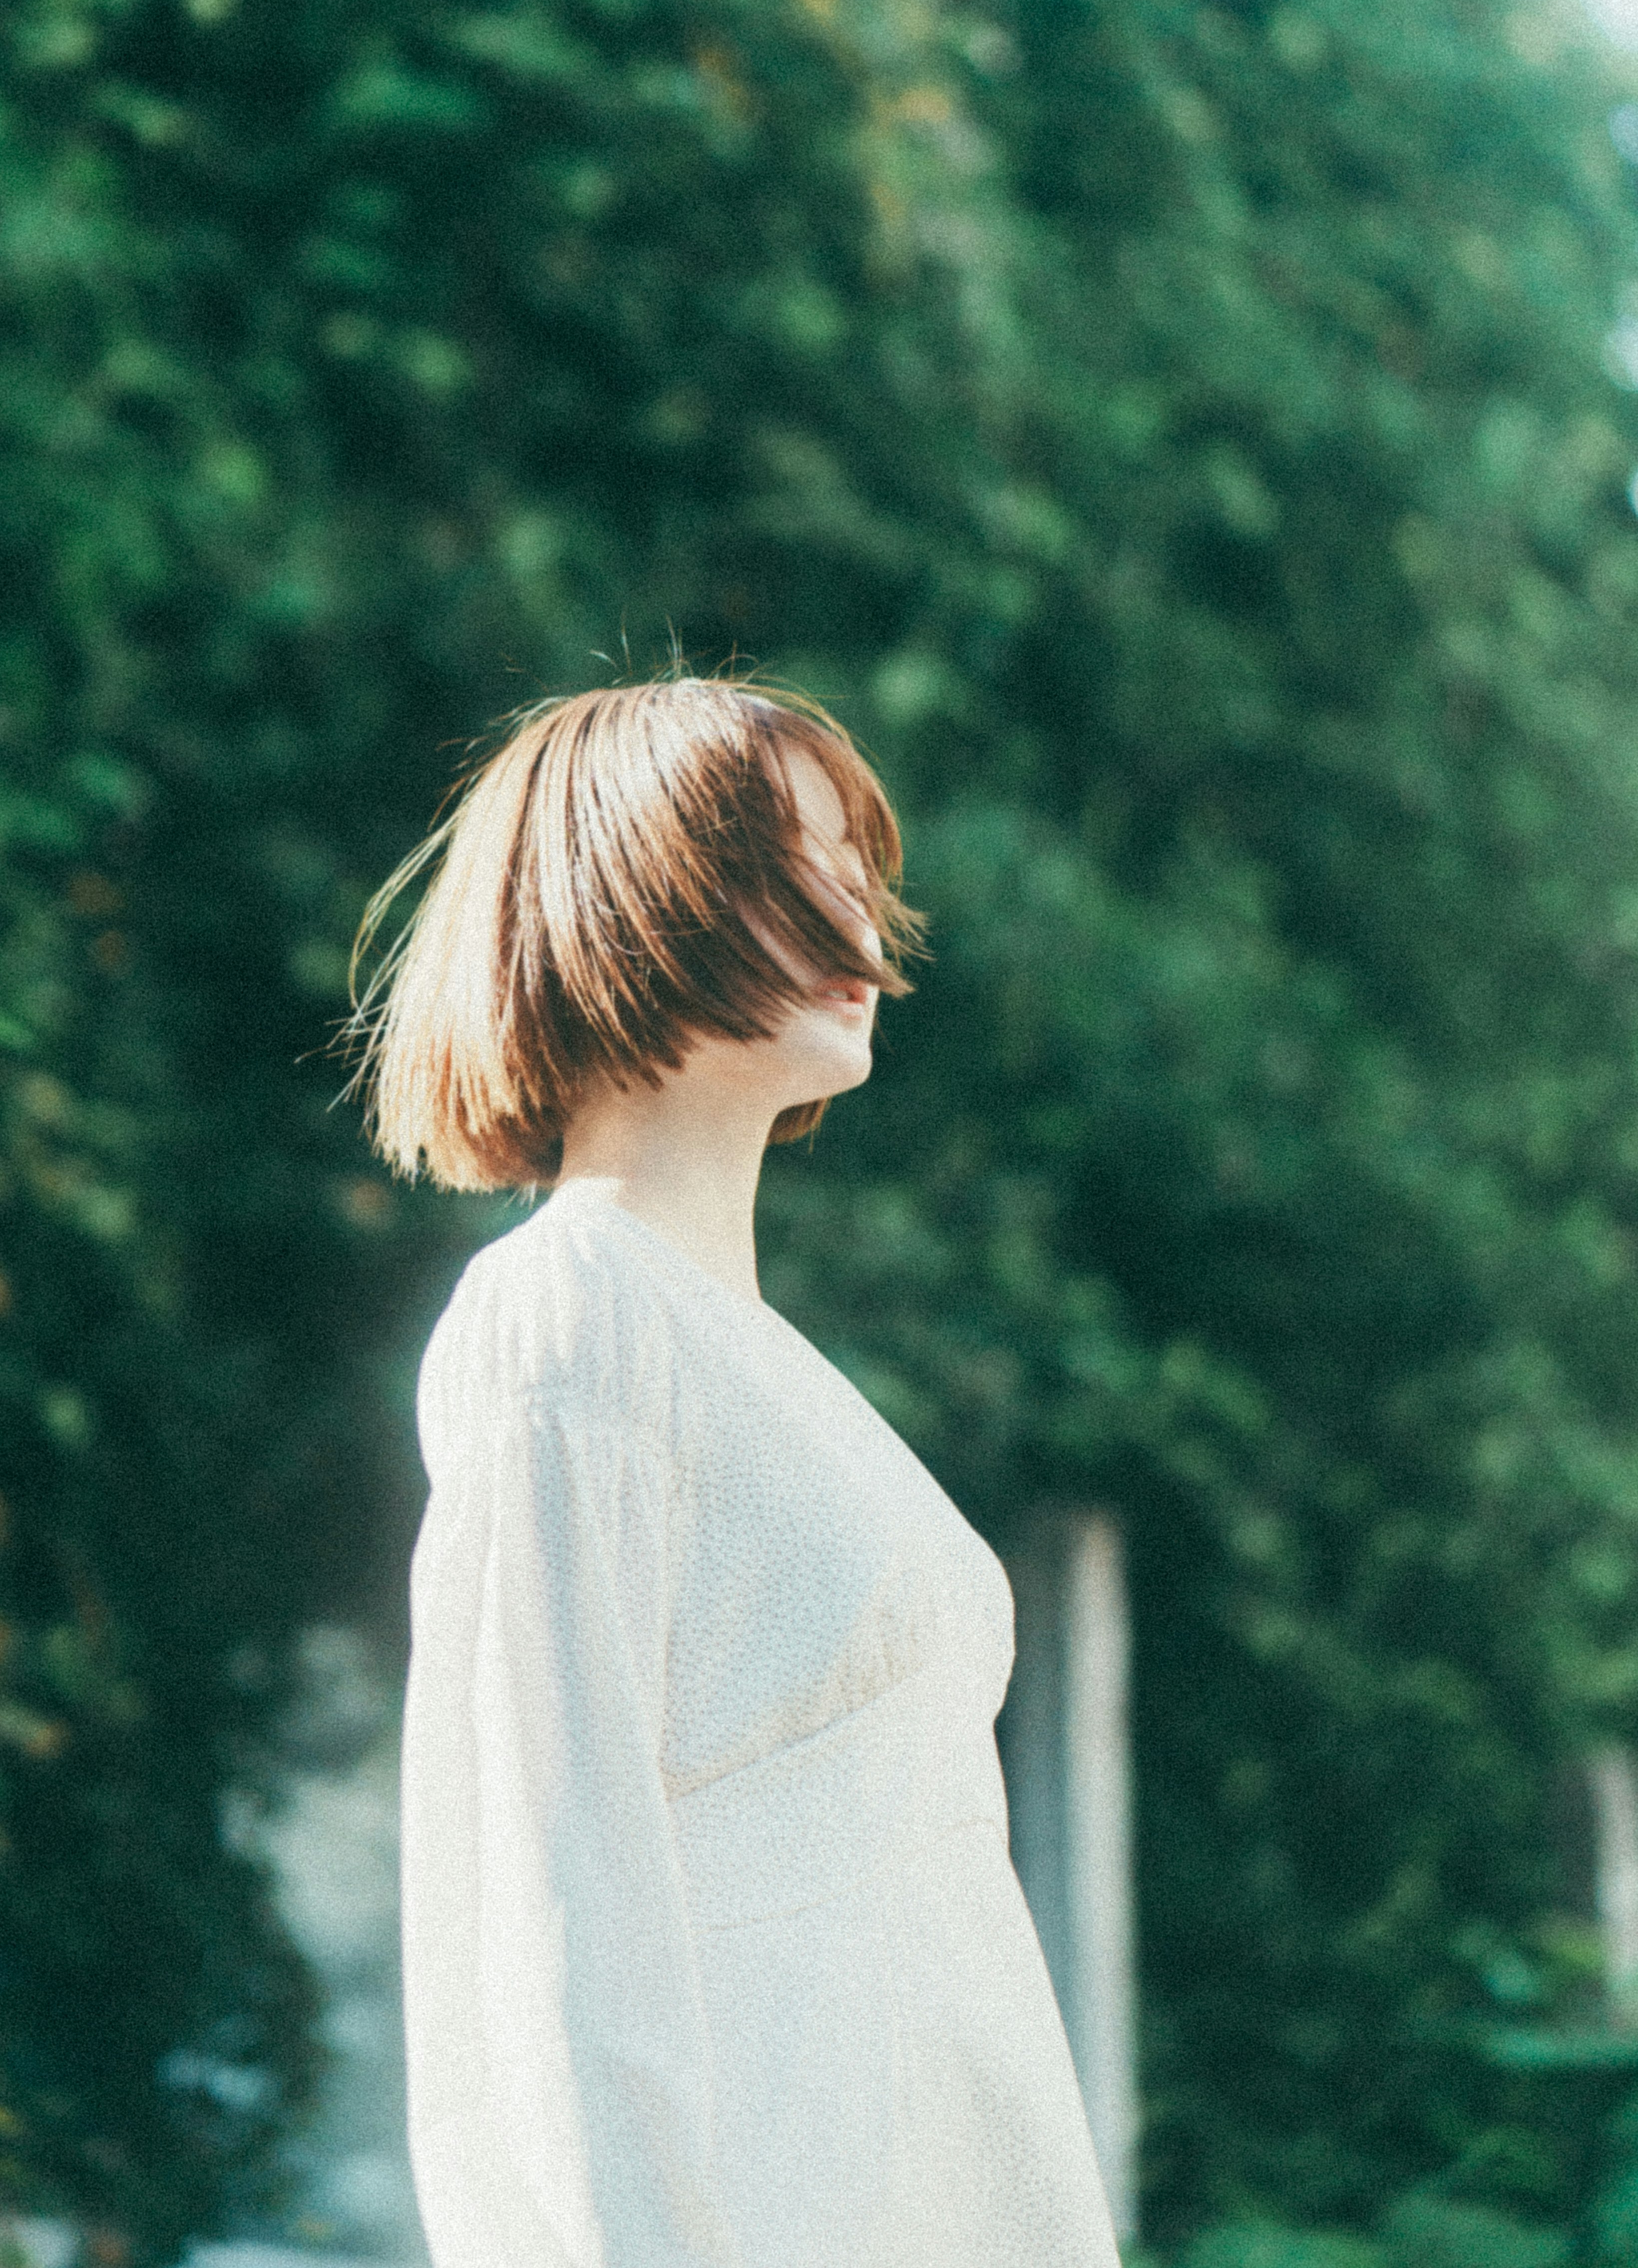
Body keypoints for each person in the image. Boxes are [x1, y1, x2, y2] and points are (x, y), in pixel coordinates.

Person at [345, 674, 1122, 2268]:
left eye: (854, 855)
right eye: (786, 853)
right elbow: (557, 1915)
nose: (853, 898)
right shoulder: (569, 1315)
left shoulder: (772, 1371)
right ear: (631, 894)